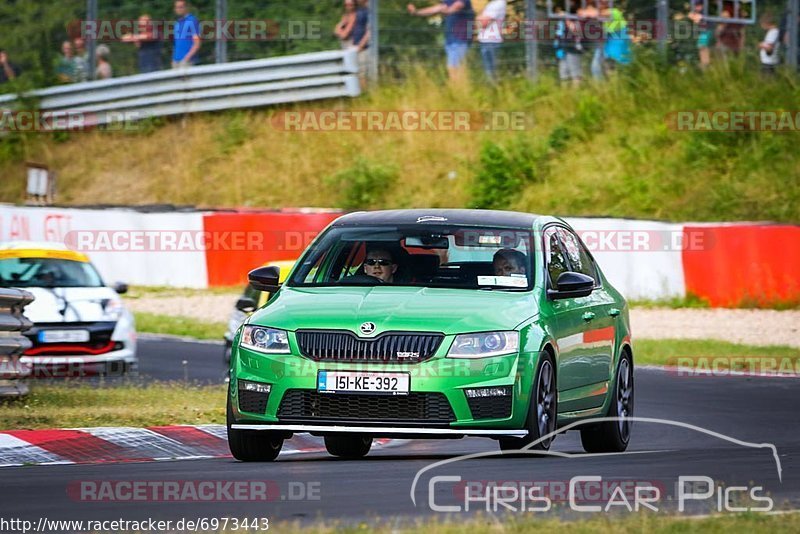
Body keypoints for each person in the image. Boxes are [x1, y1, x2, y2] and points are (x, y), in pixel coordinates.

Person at [407, 1, 475, 83]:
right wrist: (416, 12)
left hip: (461, 39)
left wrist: (446, 10)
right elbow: (437, 8)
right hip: (451, 40)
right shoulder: (448, 1)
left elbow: (456, 7)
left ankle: (458, 90)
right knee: (453, 69)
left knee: (455, 68)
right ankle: (458, 91)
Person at [554, 5, 584, 87]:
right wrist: (557, 47)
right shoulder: (561, 21)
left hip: (573, 48)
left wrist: (566, 18)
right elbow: (558, 34)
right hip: (563, 49)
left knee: (575, 73)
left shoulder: (576, 18)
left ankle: (576, 95)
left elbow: (575, 30)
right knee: (563, 73)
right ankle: (565, 95)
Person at [476, 0, 506, 83]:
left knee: (492, 70)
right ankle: (492, 88)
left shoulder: (499, 3)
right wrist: (481, 18)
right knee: (488, 70)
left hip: (492, 41)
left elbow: (484, 22)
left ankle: (496, 89)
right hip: (486, 40)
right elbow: (483, 20)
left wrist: (478, 17)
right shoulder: (491, 4)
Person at [173, 0, 201, 68]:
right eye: (177, 7)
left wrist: (187, 58)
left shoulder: (192, 20)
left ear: (186, 7)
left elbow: (197, 42)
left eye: (181, 7)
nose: (178, 9)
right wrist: (173, 58)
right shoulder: (177, 23)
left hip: (187, 61)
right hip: (176, 61)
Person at [350, 0, 371, 89]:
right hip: (355, 47)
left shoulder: (369, 11)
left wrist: (360, 46)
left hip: (363, 48)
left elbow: (370, 31)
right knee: (356, 73)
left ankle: (365, 95)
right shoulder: (359, 10)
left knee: (362, 74)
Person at [688, 0, 712, 70]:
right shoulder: (699, 12)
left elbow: (697, 20)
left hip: (706, 30)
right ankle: (705, 62)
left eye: (698, 6)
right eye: (695, 6)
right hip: (704, 31)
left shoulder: (703, 12)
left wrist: (693, 16)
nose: (696, 8)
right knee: (702, 46)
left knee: (702, 46)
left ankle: (705, 63)